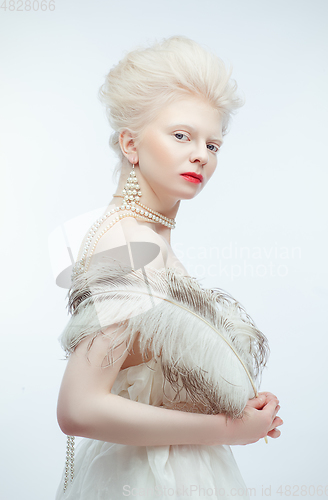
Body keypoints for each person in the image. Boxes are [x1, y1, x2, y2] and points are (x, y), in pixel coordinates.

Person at [55, 35, 283, 500]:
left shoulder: (149, 237)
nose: (202, 153)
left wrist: (239, 405)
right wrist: (228, 428)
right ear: (131, 143)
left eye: (213, 143)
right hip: (148, 481)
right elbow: (78, 407)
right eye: (182, 135)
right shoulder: (126, 245)